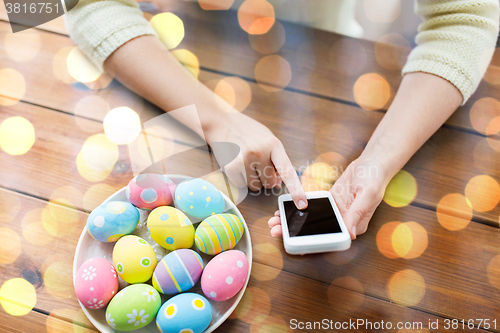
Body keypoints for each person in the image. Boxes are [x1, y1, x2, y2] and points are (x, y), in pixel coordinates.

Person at [66, 0, 499, 240]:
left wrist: (380, 158)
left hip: (323, 70)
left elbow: (467, 20)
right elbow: (57, 4)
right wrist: (215, 120)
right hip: (167, 63)